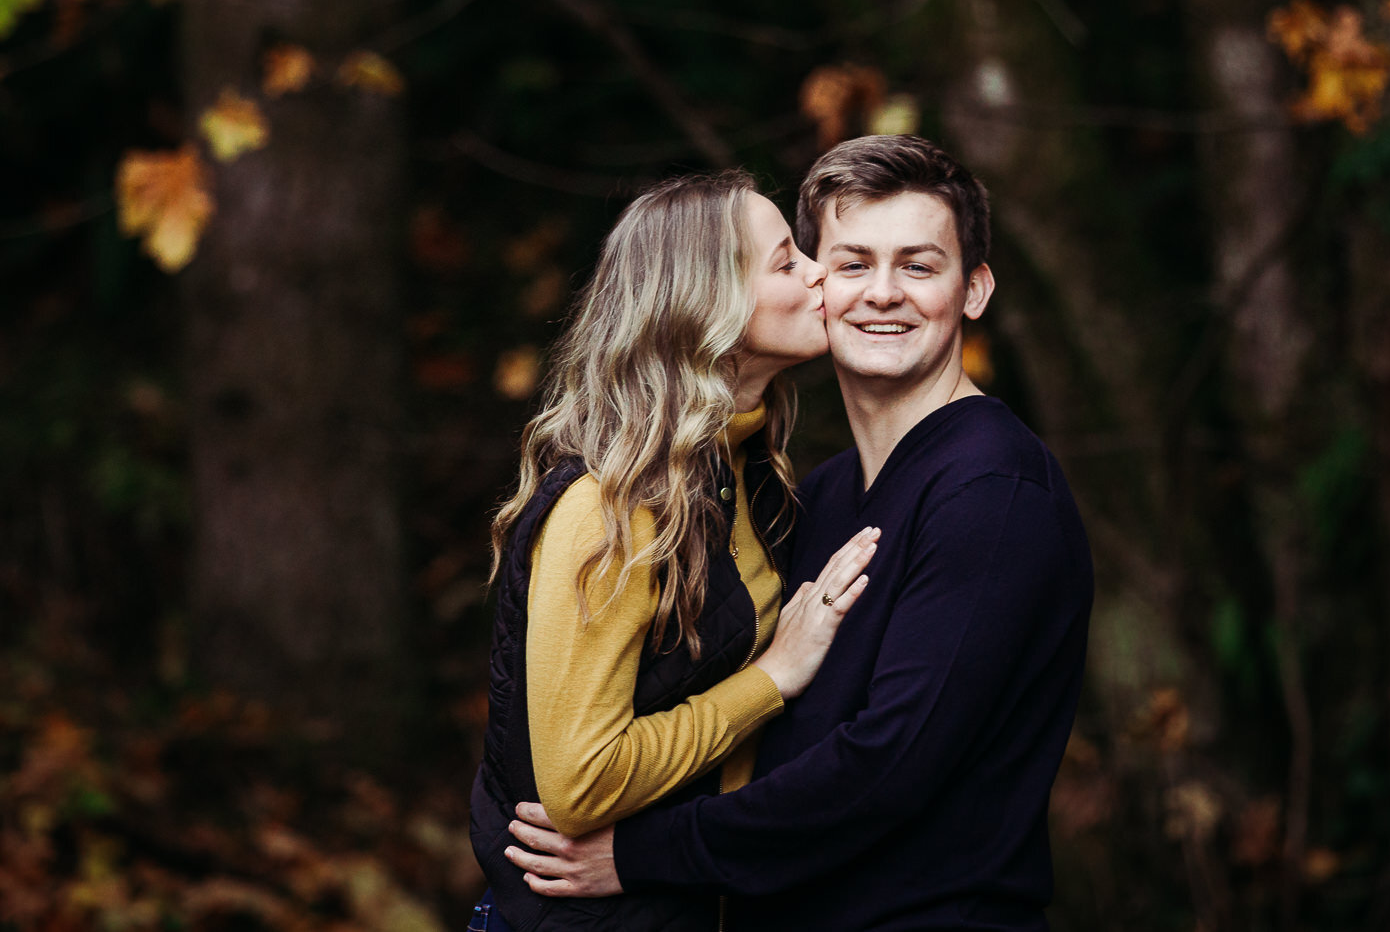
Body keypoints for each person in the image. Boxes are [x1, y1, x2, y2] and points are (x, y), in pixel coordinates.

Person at [502, 135, 1095, 932]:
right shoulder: (811, 495)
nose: (882, 292)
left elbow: (886, 767)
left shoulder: (993, 492)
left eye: (918, 266)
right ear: (816, 284)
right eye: (852, 264)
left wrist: (642, 853)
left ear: (975, 290)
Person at [467, 169, 885, 932]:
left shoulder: (746, 475)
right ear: (706, 304)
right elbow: (578, 782)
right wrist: (772, 677)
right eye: (788, 261)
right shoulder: (610, 507)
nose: (822, 272)